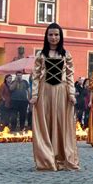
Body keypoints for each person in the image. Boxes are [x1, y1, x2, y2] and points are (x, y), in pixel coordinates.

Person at [30, 23, 79, 171]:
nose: (53, 37)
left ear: (60, 36)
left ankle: (62, 158)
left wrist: (71, 93)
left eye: (56, 34)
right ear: (46, 36)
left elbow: (70, 76)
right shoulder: (41, 55)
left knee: (61, 123)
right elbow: (36, 77)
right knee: (46, 124)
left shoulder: (66, 54)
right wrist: (34, 94)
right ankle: (47, 159)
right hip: (45, 92)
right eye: (50, 34)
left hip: (62, 92)